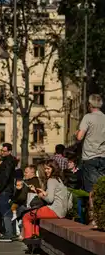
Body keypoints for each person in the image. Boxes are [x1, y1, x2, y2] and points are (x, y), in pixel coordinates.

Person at [75, 94, 105, 227]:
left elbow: (80, 136)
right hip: (103, 157)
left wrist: (76, 133)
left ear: (90, 105)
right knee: (101, 187)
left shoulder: (88, 117)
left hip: (90, 157)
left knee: (91, 190)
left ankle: (94, 219)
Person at [22, 160, 71, 239]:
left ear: (53, 169)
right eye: (45, 169)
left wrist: (41, 195)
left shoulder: (51, 180)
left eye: (48, 169)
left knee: (26, 217)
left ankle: (29, 239)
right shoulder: (59, 179)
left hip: (54, 210)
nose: (46, 171)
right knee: (35, 218)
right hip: (61, 210)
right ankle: (35, 237)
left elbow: (50, 199)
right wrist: (42, 192)